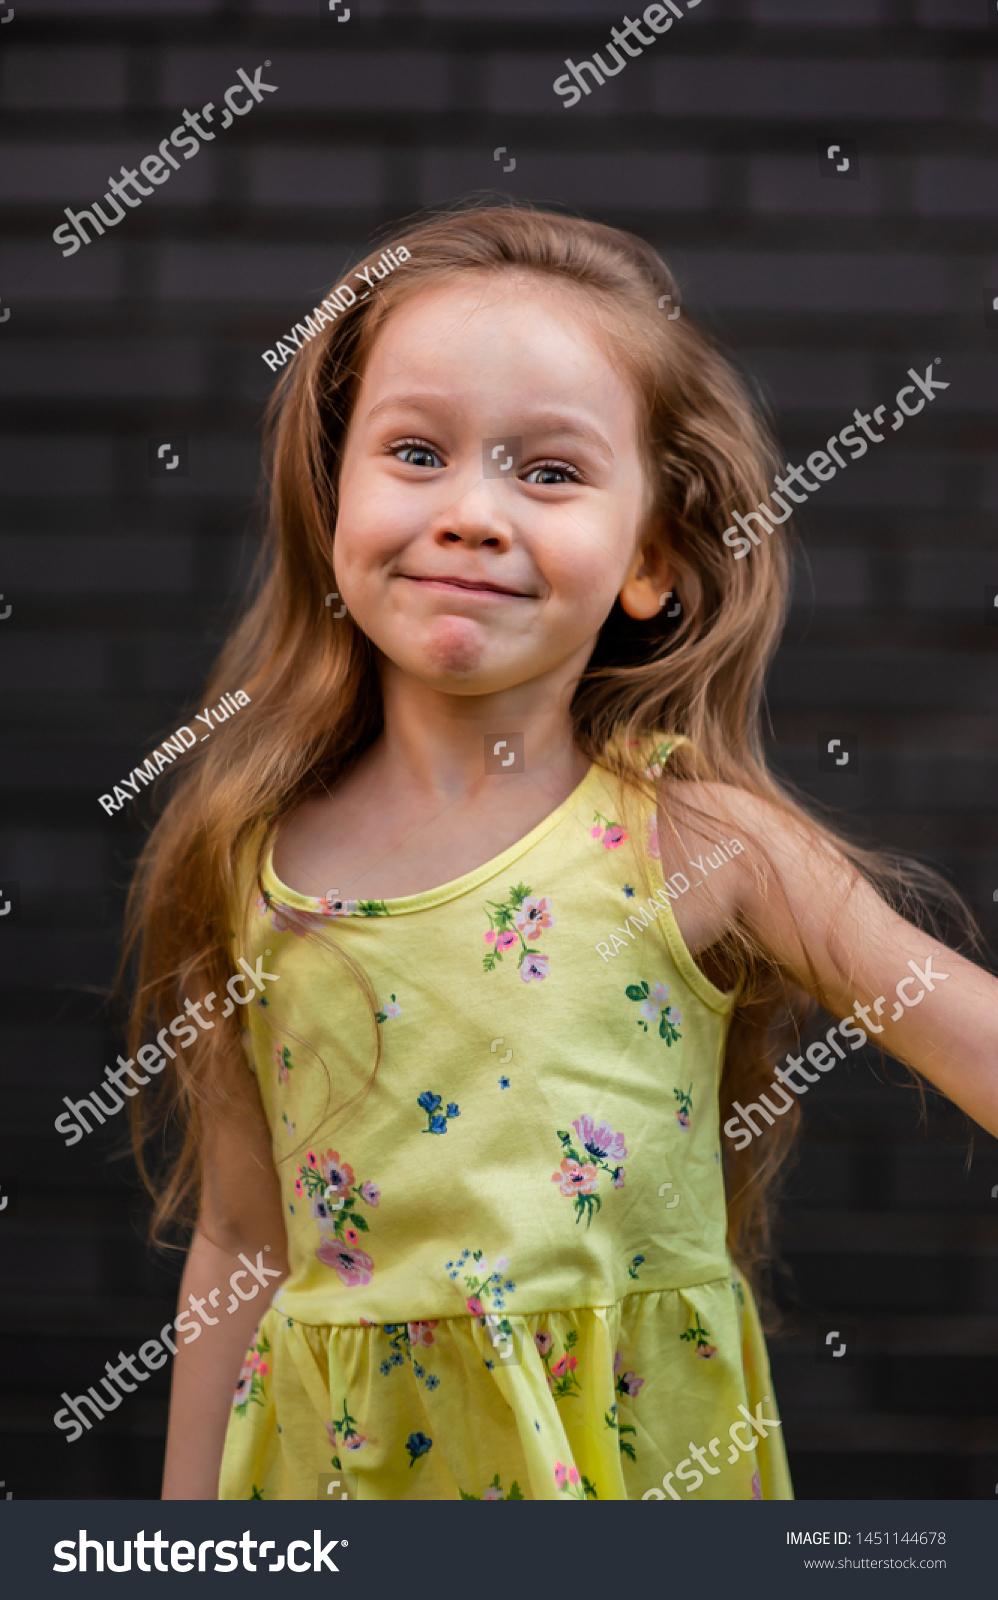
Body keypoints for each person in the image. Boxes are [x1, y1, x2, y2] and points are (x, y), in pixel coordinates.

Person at [123, 204, 997, 1501]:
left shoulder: (695, 841)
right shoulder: (245, 854)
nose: (472, 512)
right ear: (333, 497)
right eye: (415, 451)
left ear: (648, 559)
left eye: (547, 471)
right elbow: (242, 1242)